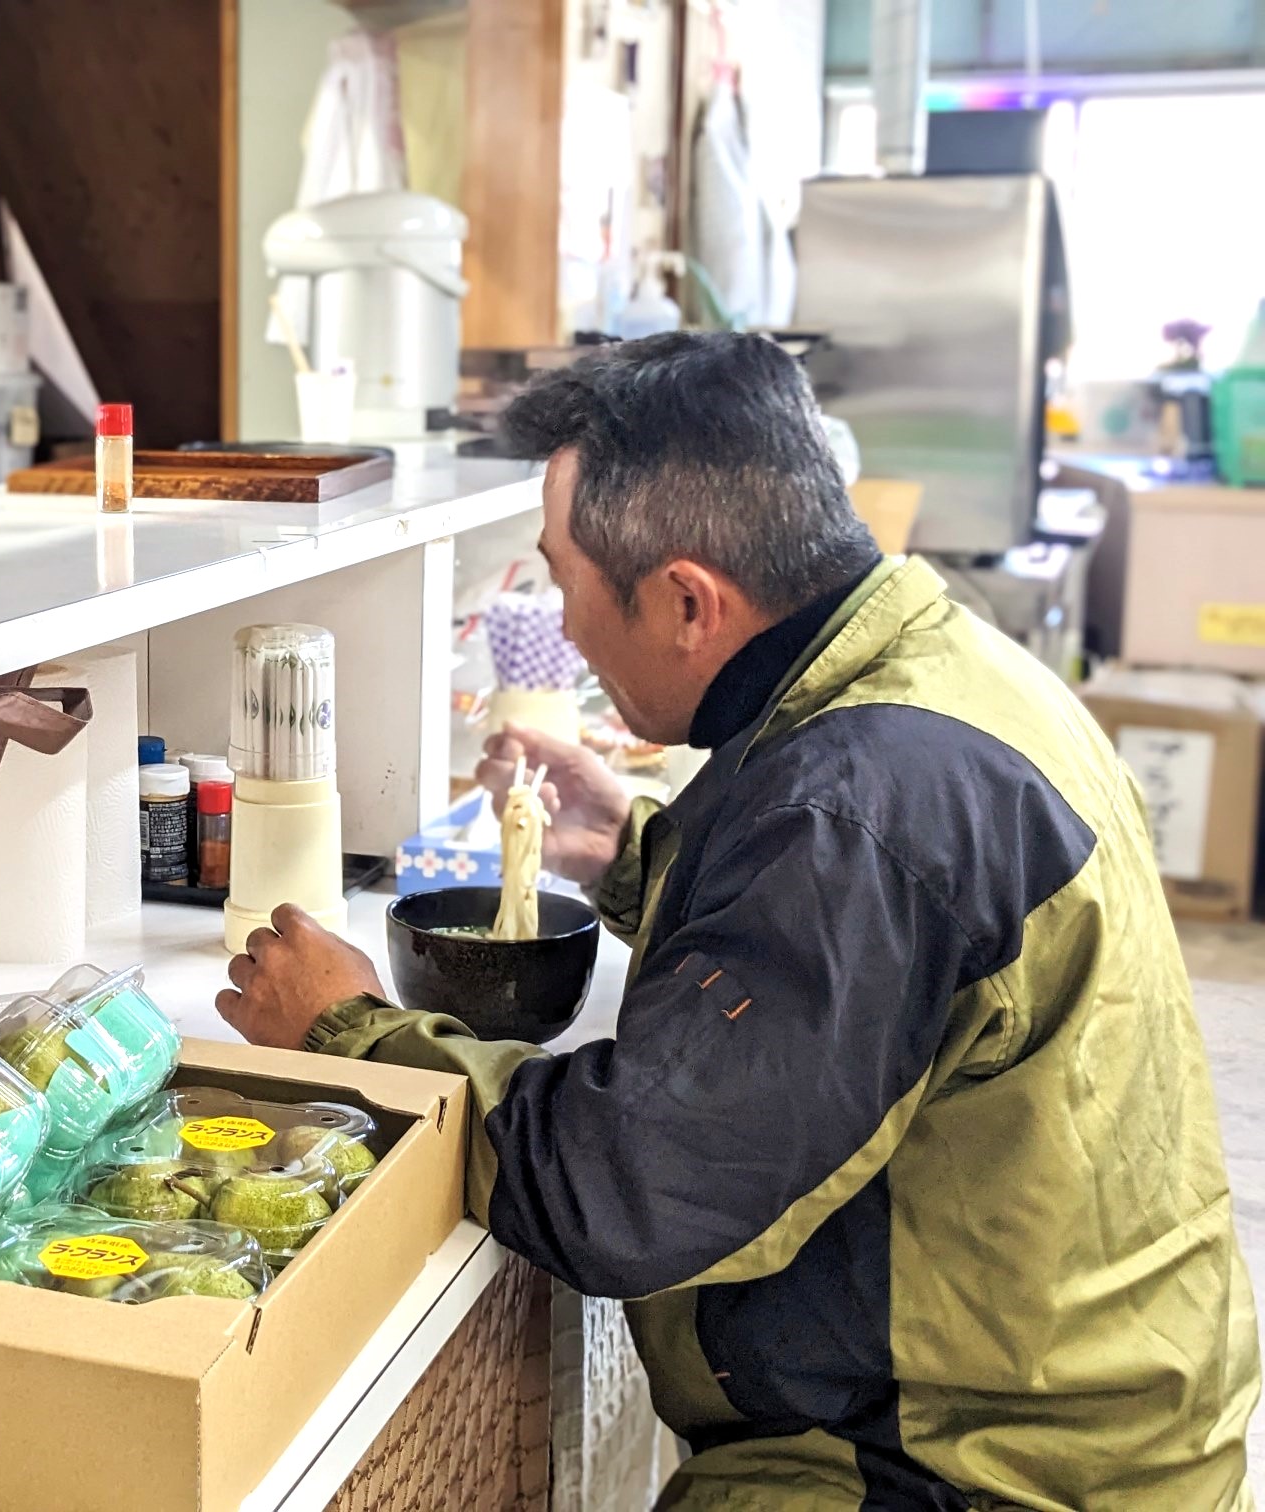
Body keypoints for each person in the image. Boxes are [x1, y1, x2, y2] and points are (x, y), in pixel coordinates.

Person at [218, 332, 1259, 1508]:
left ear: (686, 602)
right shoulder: (938, 666)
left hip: (975, 1469)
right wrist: (635, 850)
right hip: (1096, 1403)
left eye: (563, 583)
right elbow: (862, 948)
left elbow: (625, 1190)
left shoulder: (857, 815)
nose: (563, 626)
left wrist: (351, 1031)